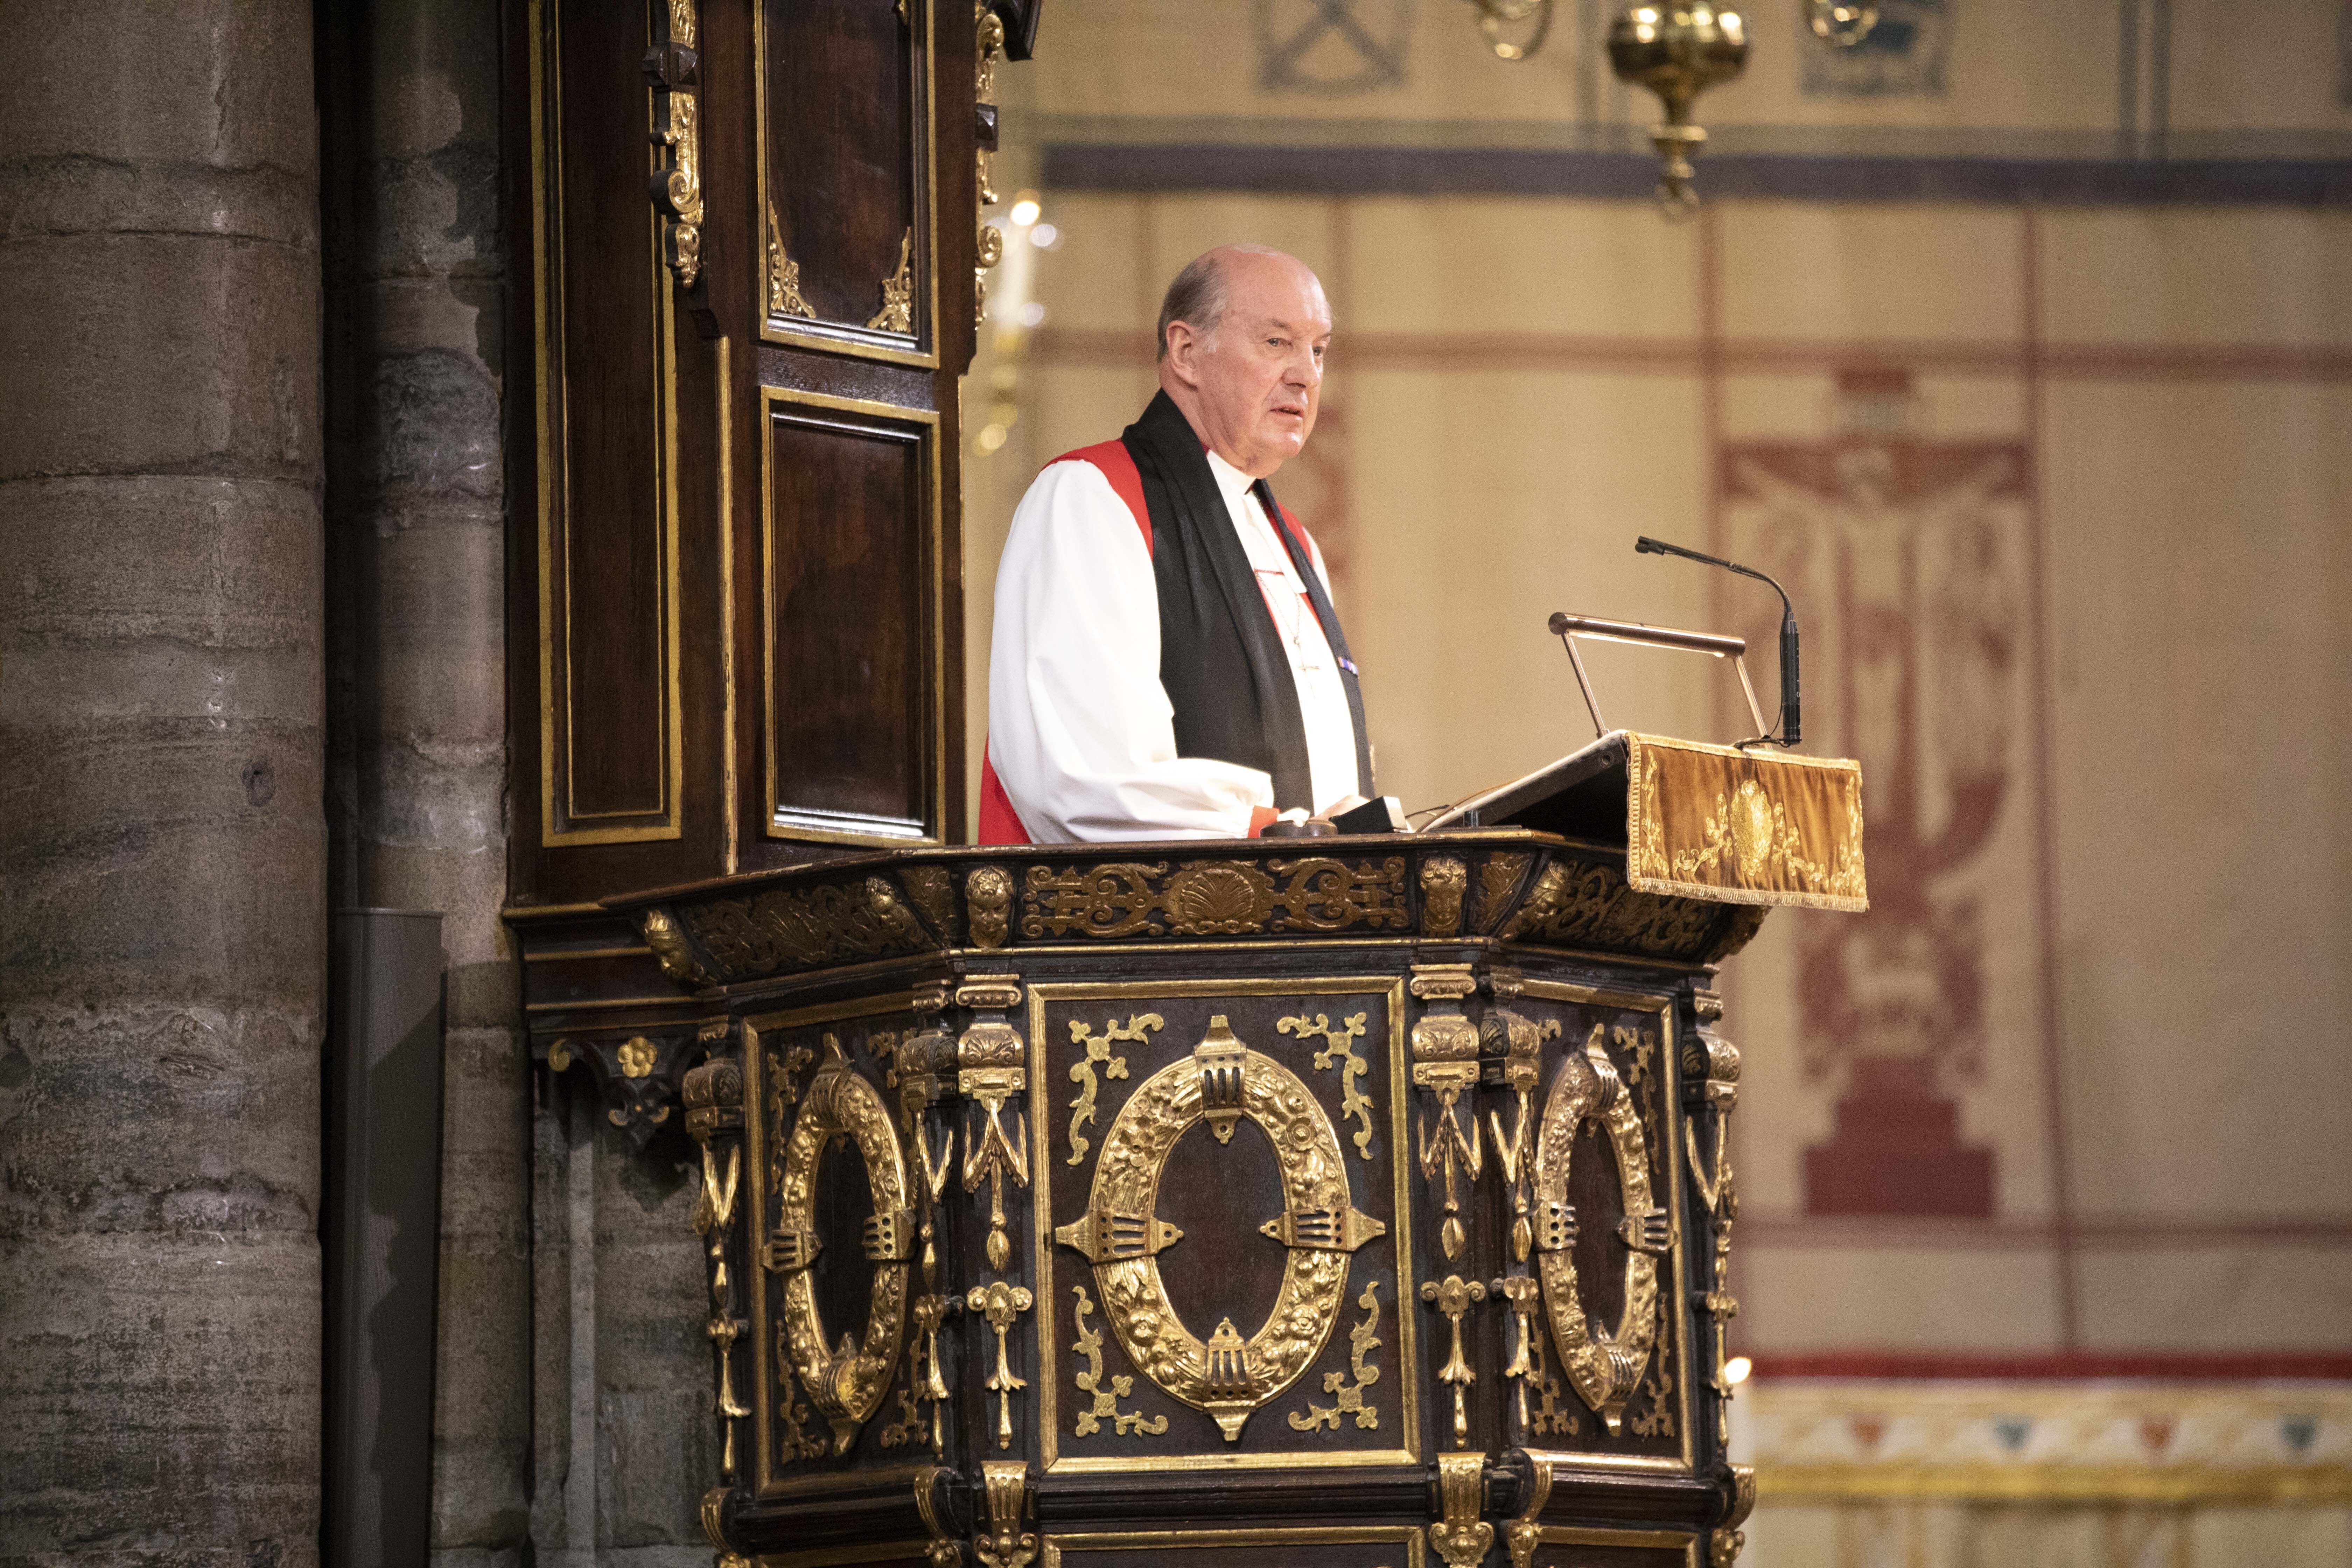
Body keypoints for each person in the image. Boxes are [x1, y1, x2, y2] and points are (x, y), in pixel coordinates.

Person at [980, 245, 1374, 843]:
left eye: (1317, 350)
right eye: (1276, 343)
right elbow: (1086, 778)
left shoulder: (1295, 542)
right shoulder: (1093, 499)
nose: (1307, 375)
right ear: (1187, 352)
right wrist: (1279, 834)